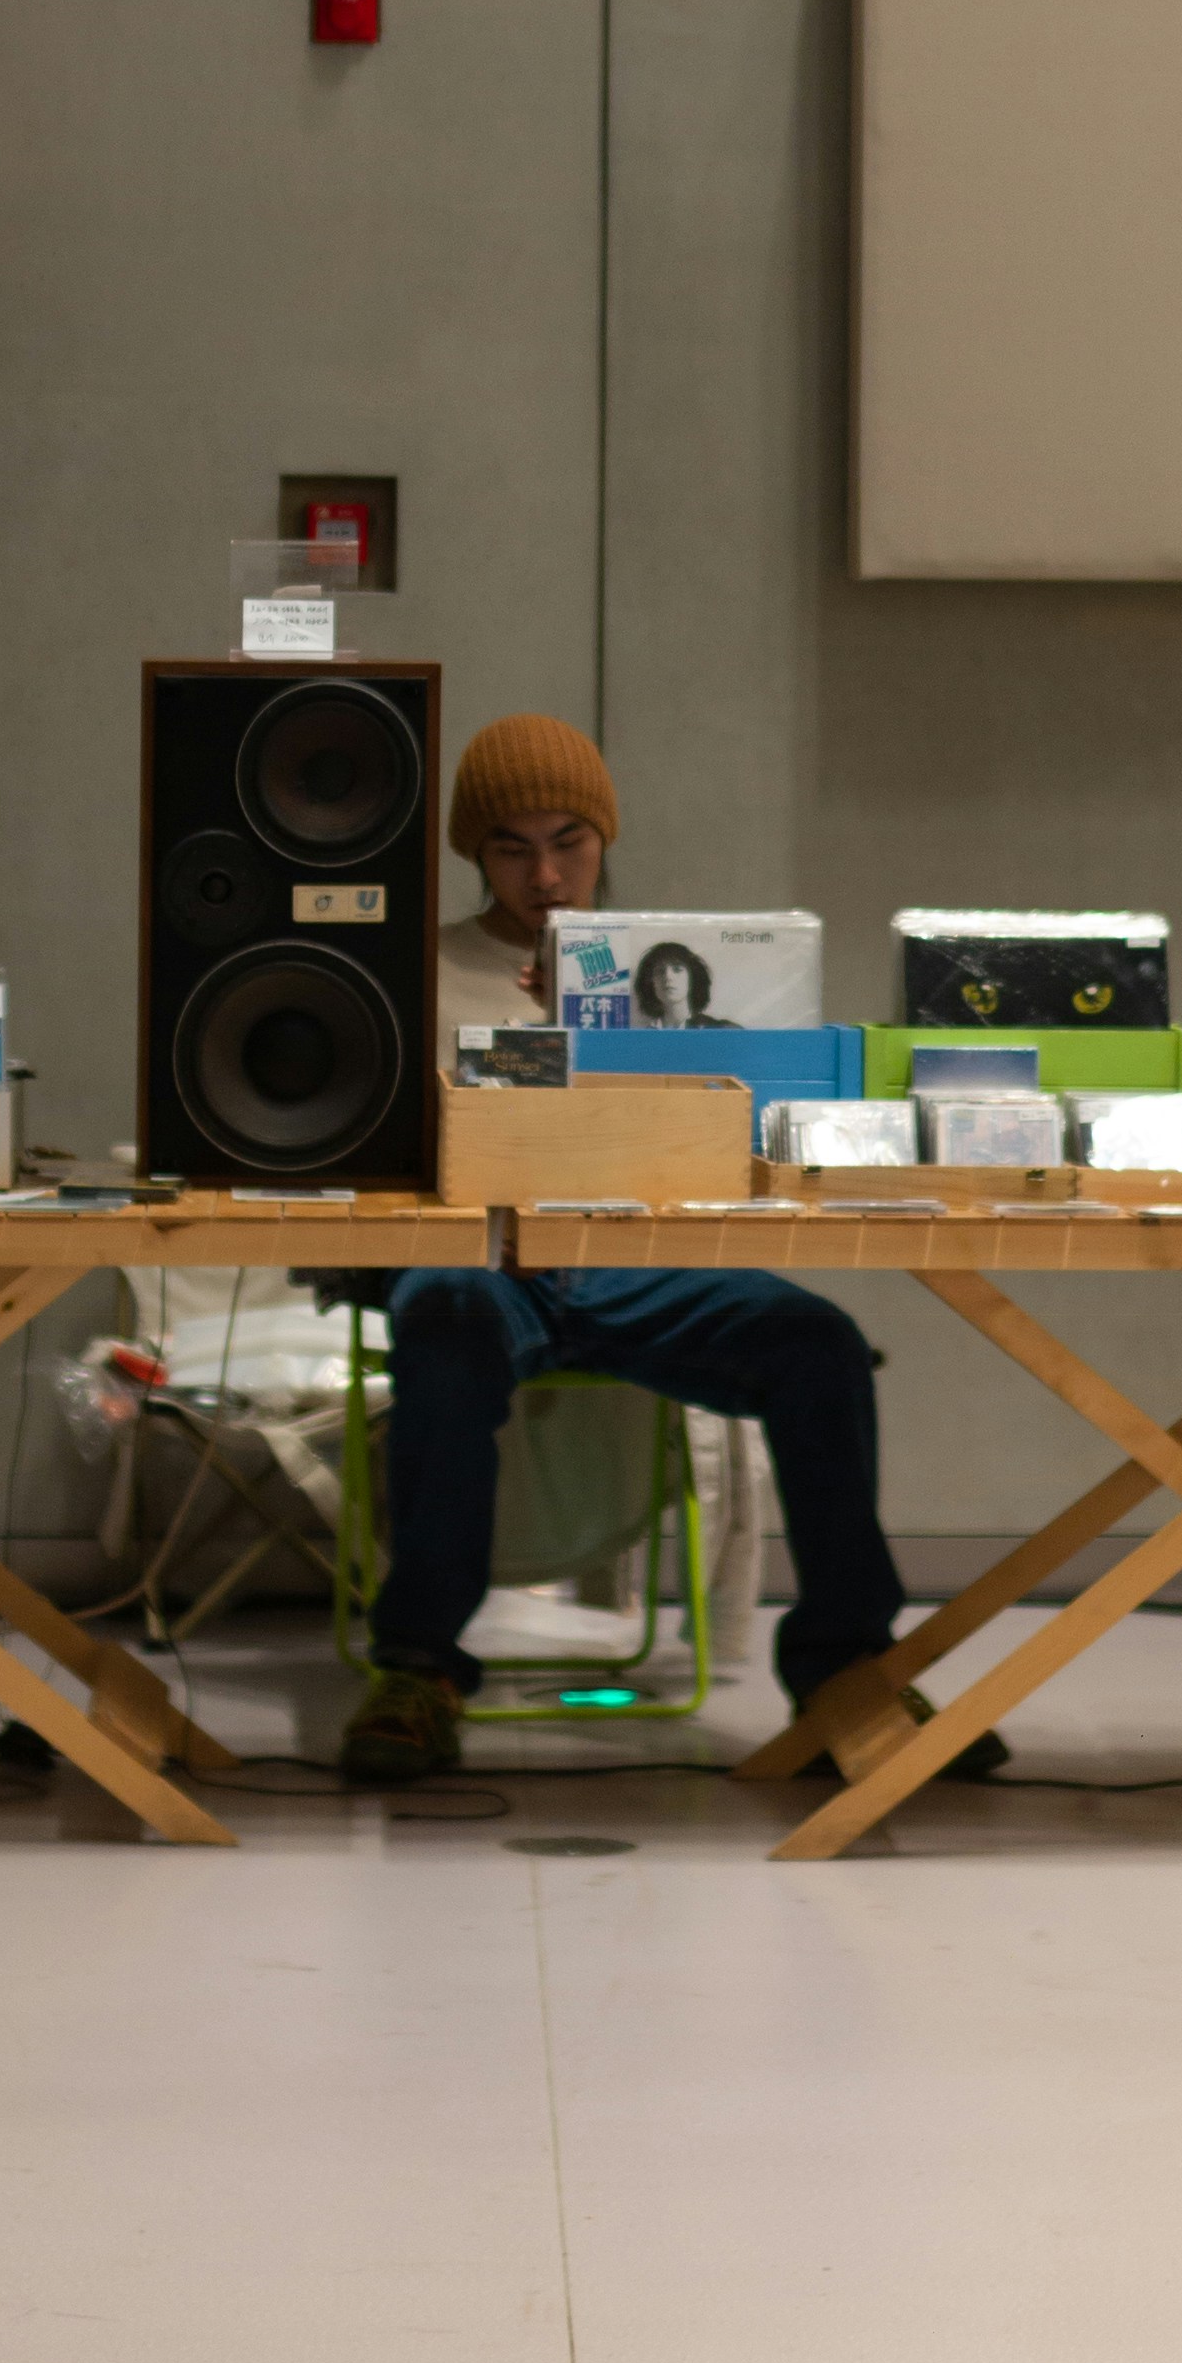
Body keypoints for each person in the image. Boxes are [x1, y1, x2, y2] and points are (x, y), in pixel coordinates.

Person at [341, 713, 1000, 1788]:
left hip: (637, 1253)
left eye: (569, 841)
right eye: (512, 847)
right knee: (443, 1315)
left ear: (606, 839)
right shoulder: (419, 968)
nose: (546, 873)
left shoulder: (672, 972)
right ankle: (417, 1666)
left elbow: (723, 1135)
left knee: (816, 1346)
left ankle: (847, 1665)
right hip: (486, 1254)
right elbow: (394, 1144)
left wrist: (609, 1037)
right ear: (474, 854)